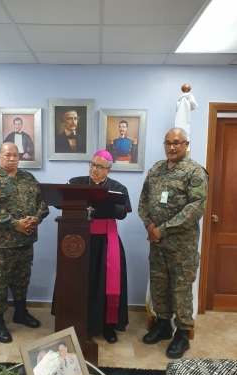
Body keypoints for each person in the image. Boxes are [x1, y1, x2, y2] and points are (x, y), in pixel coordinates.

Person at [138, 127, 208, 359]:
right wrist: (149, 225)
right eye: (168, 142)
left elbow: (195, 208)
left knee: (180, 289)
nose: (171, 147)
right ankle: (163, 324)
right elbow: (144, 199)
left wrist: (162, 229)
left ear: (186, 144)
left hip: (182, 247)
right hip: (157, 243)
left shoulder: (194, 172)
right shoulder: (156, 169)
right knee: (159, 285)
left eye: (177, 142)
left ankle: (183, 333)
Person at [52, 150, 131, 344]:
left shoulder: (118, 188)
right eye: (92, 165)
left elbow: (123, 212)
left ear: (108, 170)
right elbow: (60, 203)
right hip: (79, 240)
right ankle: (74, 322)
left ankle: (107, 326)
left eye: (99, 167)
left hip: (105, 241)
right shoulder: (76, 182)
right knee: (76, 280)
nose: (93, 169)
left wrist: (102, 203)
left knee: (104, 283)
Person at [0, 142, 49, 343]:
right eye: (7, 155)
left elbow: (42, 206)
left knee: (21, 281)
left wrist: (36, 218)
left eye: (15, 155)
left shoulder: (29, 179)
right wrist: (15, 224)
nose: (11, 159)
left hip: (24, 243)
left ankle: (20, 313)